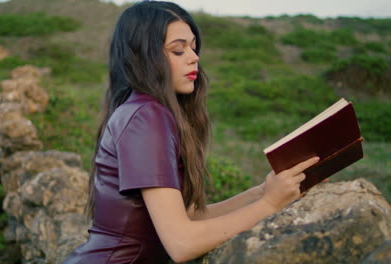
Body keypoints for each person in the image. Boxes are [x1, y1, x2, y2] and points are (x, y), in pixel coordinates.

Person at [62, 1, 319, 263]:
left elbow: (190, 216)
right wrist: (269, 206)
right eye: (178, 50)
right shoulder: (146, 117)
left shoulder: (144, 110)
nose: (194, 57)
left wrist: (262, 193)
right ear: (144, 57)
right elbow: (182, 243)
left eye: (193, 47)